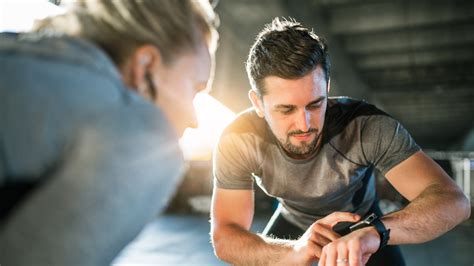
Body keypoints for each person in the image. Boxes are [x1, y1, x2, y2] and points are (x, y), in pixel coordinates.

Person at [210, 18, 470, 266]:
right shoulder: (239, 140)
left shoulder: (365, 126)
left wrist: (376, 230)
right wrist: (293, 251)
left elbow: (454, 203)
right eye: (286, 110)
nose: (304, 124)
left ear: (327, 87)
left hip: (362, 221)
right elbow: (225, 236)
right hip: (292, 222)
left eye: (315, 104)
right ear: (258, 103)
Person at [0, 0, 218, 265]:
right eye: (194, 89)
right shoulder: (141, 134)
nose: (194, 120)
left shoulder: (20, 61)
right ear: (146, 64)